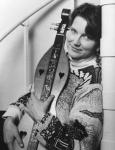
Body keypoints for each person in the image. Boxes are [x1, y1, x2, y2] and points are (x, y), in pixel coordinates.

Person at [3, 3, 103, 150]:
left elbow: (81, 146)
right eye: (73, 31)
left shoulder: (93, 85)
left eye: (86, 37)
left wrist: (41, 118)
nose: (75, 41)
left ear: (99, 43)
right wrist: (10, 119)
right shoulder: (61, 60)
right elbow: (32, 95)